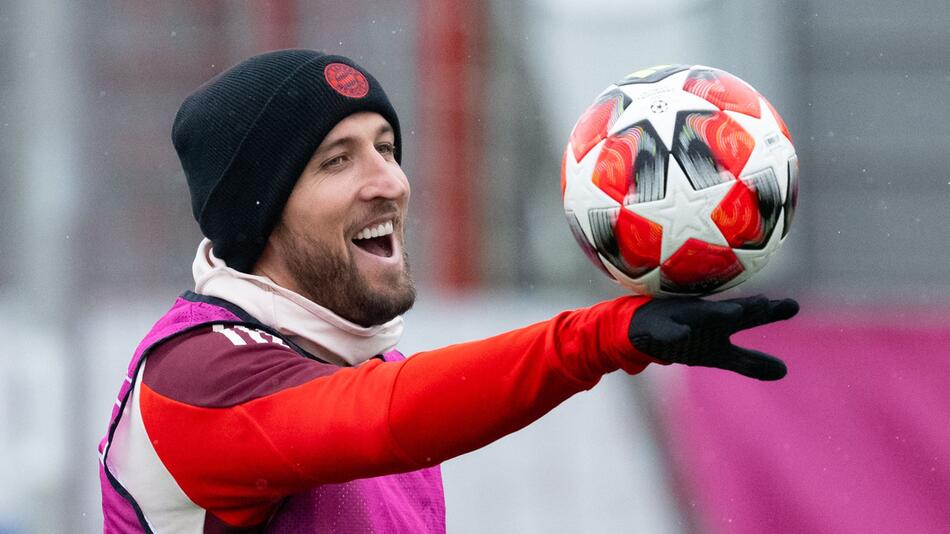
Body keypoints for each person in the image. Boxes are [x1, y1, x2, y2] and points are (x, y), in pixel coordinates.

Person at [98, 49, 798, 533]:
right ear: (261, 213)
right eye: (336, 161)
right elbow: (385, 420)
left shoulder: (366, 368)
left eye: (387, 148)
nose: (388, 182)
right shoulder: (192, 376)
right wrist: (600, 339)